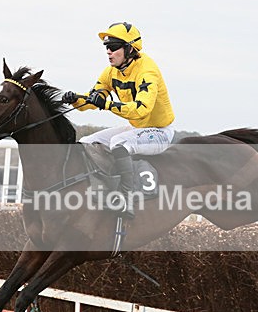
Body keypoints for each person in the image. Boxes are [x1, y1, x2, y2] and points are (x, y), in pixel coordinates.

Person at [61, 22, 175, 218]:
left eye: (113, 47)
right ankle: (100, 189)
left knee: (118, 142)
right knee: (87, 143)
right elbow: (92, 101)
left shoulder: (147, 71)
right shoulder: (111, 72)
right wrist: (76, 100)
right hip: (136, 129)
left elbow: (140, 110)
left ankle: (126, 199)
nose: (108, 52)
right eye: (106, 47)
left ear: (130, 48)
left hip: (159, 132)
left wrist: (106, 104)